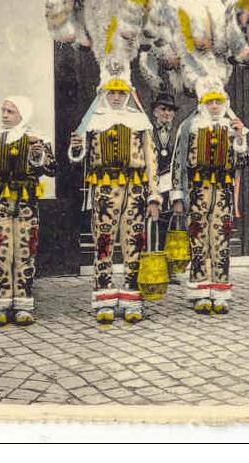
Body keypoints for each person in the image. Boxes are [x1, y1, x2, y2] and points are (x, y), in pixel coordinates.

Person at [69, 78, 161, 325]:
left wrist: (153, 194)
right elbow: (80, 156)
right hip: (104, 190)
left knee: (134, 244)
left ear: (128, 94)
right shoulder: (94, 121)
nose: (117, 97)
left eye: (121, 93)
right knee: (103, 243)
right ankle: (104, 299)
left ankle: (132, 299)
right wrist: (77, 147)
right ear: (104, 93)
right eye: (112, 93)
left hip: (134, 190)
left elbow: (151, 160)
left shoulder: (139, 121)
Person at [0, 96, 56, 327]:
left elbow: (52, 169)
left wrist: (38, 156)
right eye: (3, 110)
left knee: (25, 251)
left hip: (27, 204)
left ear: (22, 114)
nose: (4, 115)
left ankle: (23, 305)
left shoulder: (38, 138)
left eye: (10, 112)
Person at [170, 77, 248, 314]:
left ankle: (220, 290)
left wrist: (241, 139)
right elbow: (178, 162)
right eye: (210, 102)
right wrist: (178, 196)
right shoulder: (189, 128)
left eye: (218, 101)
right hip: (197, 190)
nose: (214, 106)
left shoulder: (233, 128)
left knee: (221, 240)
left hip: (223, 192)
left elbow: (243, 163)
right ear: (203, 103)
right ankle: (200, 291)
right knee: (198, 239)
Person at [149, 92, 180, 219]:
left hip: (172, 184)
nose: (167, 113)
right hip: (153, 183)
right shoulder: (148, 131)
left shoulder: (179, 132)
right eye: (163, 109)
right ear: (155, 112)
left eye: (170, 110)